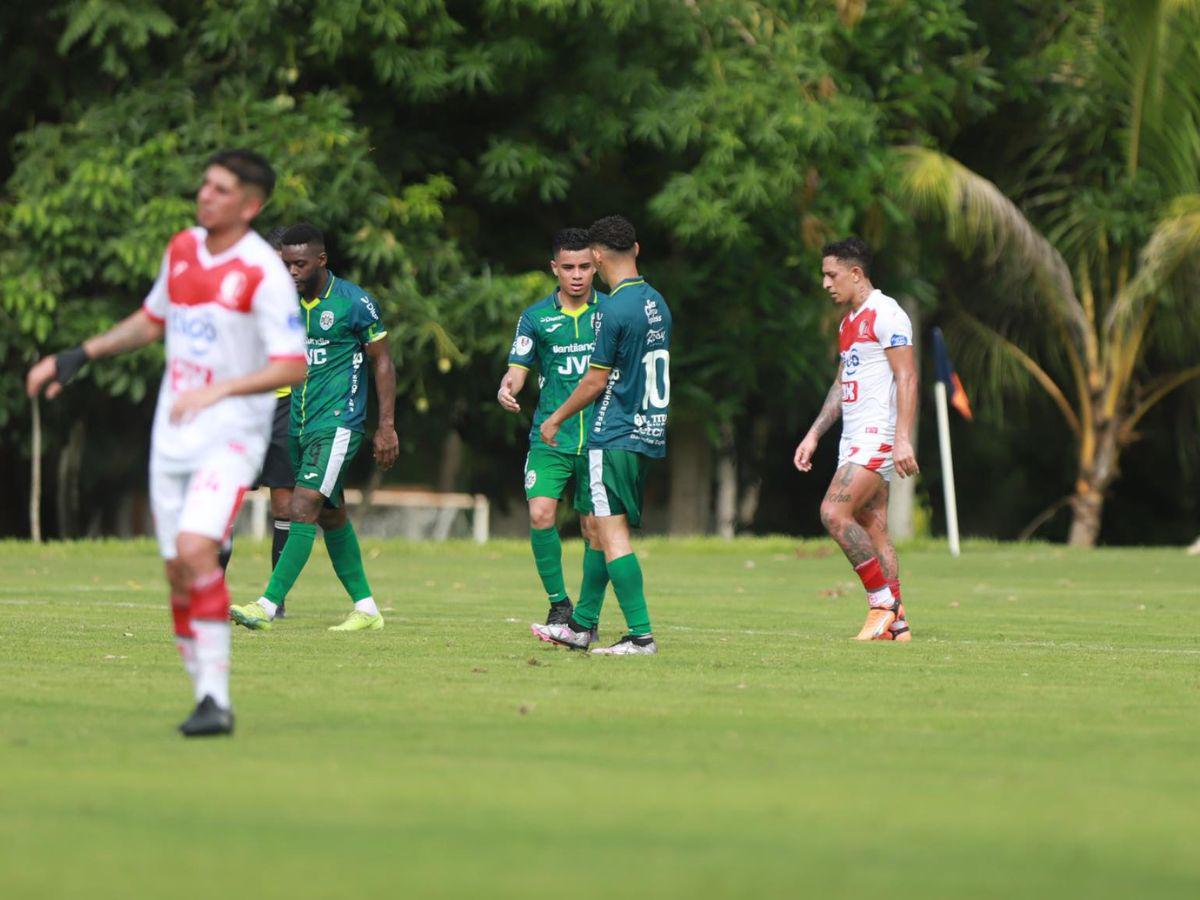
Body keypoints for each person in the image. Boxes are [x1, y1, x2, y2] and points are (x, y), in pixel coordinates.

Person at [26, 150, 307, 736]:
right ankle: (206, 695)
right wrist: (81, 355)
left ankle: (214, 700)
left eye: (222, 189)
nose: (205, 195)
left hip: (232, 434)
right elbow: (153, 319)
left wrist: (220, 391)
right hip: (173, 433)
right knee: (179, 568)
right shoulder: (181, 249)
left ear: (250, 205)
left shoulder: (261, 271)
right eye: (205, 184)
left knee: (197, 548)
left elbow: (292, 366)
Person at [229, 223, 398, 633]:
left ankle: (266, 605)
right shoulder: (281, 303)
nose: (290, 273)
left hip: (338, 423)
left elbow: (382, 361)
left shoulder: (353, 303)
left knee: (302, 506)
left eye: (299, 264)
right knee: (332, 517)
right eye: (285, 264)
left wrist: (386, 426)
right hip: (299, 424)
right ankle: (367, 609)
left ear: (321, 260)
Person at [530, 215, 671, 655]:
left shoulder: (612, 309)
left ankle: (640, 635)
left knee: (611, 536)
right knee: (598, 532)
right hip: (647, 429)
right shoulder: (656, 302)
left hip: (612, 434)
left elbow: (594, 381)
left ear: (595, 257)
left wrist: (555, 419)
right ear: (637, 249)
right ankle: (581, 625)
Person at [793, 237, 918, 641]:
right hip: (853, 436)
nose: (826, 283)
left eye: (832, 275)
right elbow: (841, 383)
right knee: (874, 525)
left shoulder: (887, 314)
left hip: (877, 435)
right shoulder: (849, 323)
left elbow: (907, 377)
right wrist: (814, 434)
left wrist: (902, 439)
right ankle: (896, 625)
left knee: (833, 513)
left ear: (856, 273)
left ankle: (881, 603)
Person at [497, 228, 608, 636]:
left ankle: (588, 619)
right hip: (551, 437)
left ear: (596, 265)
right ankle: (560, 605)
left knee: (593, 529)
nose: (576, 275)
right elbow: (517, 369)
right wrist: (506, 388)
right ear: (554, 269)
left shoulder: (610, 313)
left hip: (600, 439)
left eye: (584, 267)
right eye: (568, 268)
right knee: (541, 513)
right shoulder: (536, 317)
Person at [250, 224, 300, 617]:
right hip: (243, 409)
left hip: (286, 409)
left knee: (283, 504)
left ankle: (276, 598)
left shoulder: (305, 303)